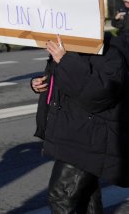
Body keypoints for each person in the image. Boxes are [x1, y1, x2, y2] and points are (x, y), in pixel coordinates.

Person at [30, 32, 129, 213]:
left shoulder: (108, 50)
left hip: (89, 137)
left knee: (59, 197)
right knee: (85, 197)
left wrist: (65, 60)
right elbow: (63, 79)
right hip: (74, 132)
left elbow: (100, 93)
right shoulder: (71, 44)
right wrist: (39, 84)